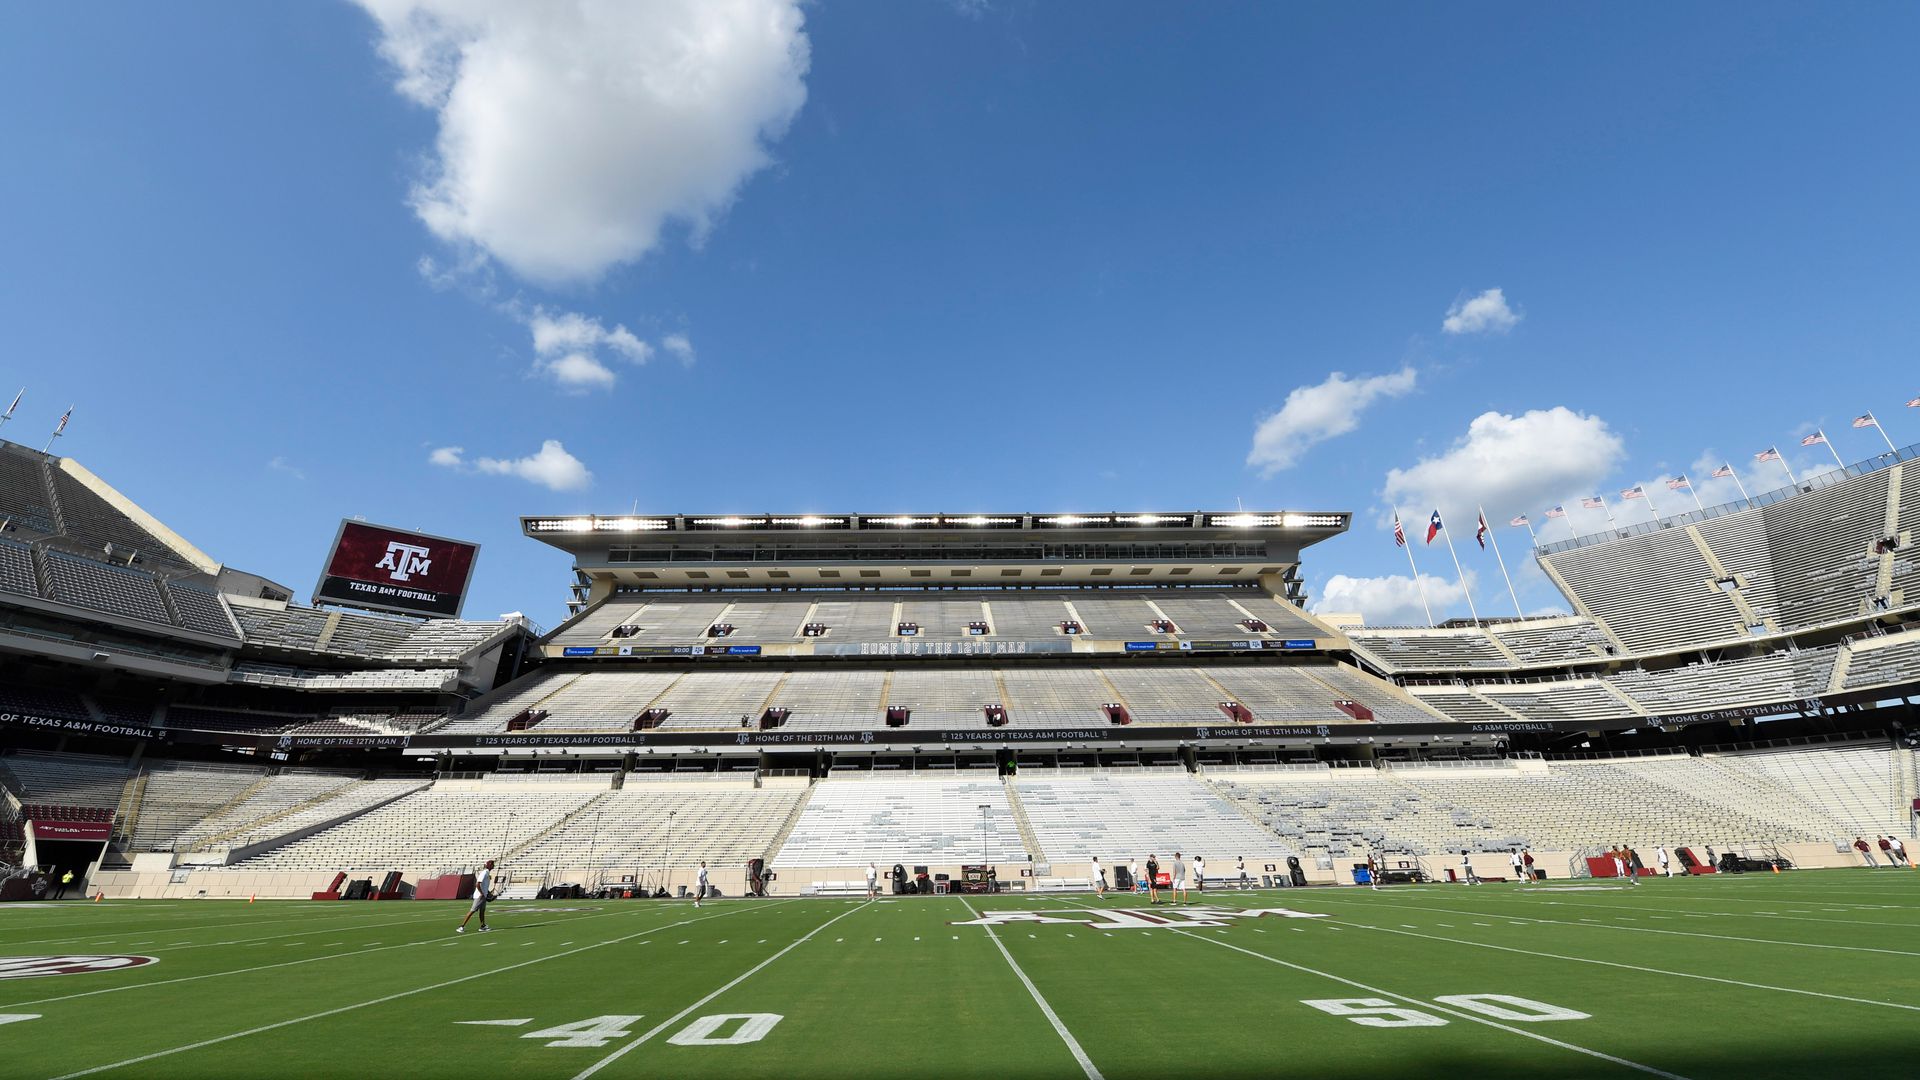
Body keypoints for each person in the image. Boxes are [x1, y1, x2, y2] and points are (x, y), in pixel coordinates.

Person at [457, 859, 495, 934]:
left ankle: (482, 926)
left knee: (482, 911)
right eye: (493, 865)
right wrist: (481, 893)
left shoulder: (487, 873)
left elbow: (484, 886)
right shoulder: (484, 873)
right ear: (490, 865)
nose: (494, 866)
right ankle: (461, 926)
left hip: (483, 895)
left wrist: (488, 893)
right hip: (480, 896)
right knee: (472, 910)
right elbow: (477, 884)